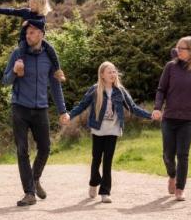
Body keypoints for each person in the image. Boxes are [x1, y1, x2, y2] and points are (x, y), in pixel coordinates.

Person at [66, 62, 155, 203]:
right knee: (96, 159)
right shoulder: (95, 90)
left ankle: (105, 192)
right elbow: (82, 105)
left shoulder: (120, 91)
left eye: (114, 71)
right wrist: (69, 116)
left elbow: (132, 107)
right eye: (109, 72)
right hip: (98, 129)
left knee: (107, 161)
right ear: (102, 75)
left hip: (113, 130)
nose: (113, 74)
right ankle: (94, 181)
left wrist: (150, 115)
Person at [2, 19, 69, 206]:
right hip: (20, 108)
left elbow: (56, 86)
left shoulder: (49, 55)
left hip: (41, 109)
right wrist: (14, 72)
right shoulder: (18, 53)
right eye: (27, 33)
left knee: (46, 147)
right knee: (22, 150)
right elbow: (5, 80)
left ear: (41, 34)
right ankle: (29, 193)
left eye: (32, 32)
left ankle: (35, 178)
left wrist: (62, 110)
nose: (28, 36)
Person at [152, 36, 191, 201]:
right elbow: (161, 89)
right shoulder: (170, 67)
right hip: (169, 118)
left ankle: (180, 188)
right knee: (167, 154)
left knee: (182, 154)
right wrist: (157, 108)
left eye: (181, 48)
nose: (177, 51)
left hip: (188, 120)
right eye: (177, 48)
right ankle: (172, 175)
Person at [0, 0, 66, 82]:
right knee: (22, 48)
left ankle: (58, 71)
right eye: (30, 2)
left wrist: (29, 22)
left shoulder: (41, 16)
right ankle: (20, 67)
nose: (30, 4)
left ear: (39, 5)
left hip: (38, 40)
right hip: (25, 39)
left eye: (33, 3)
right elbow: (12, 11)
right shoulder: (26, 11)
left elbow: (41, 24)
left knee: (50, 49)